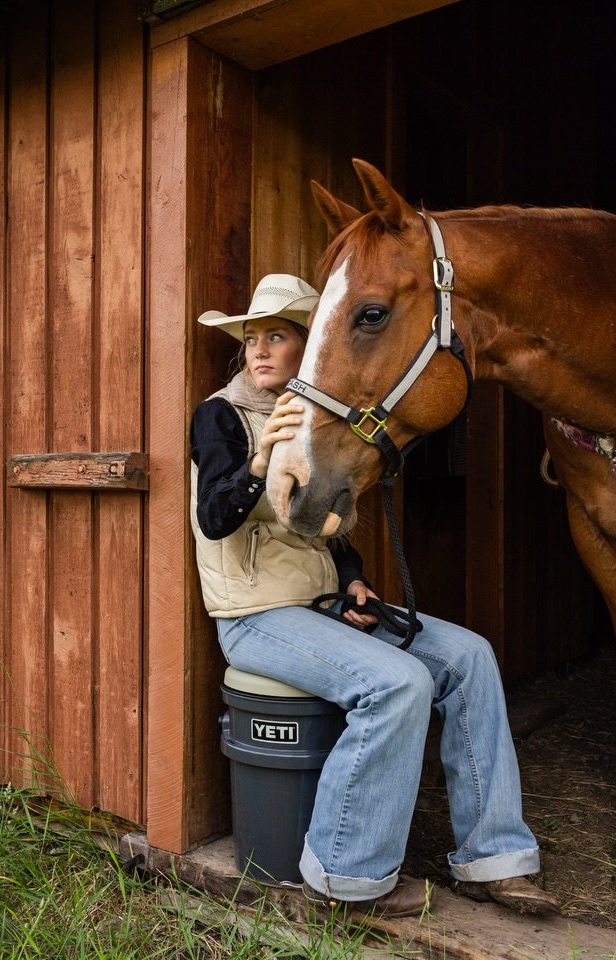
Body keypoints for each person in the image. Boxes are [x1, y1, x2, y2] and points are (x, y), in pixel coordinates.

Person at [189, 274, 560, 919]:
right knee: (397, 683)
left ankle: (493, 857)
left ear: (308, 348)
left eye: (276, 336)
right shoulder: (222, 415)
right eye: (251, 339)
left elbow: (324, 524)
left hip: (323, 607)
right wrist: (258, 463)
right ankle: (346, 876)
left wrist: (353, 578)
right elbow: (214, 518)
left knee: (469, 657)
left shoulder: (321, 420)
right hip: (256, 616)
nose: (259, 350)